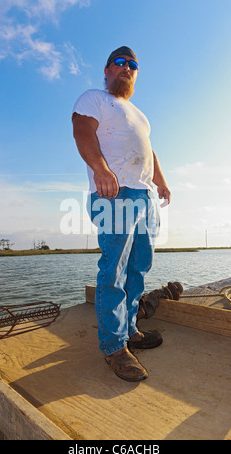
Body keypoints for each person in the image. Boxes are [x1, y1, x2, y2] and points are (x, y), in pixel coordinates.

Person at [72, 46, 171, 382]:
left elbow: (149, 152)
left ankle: (129, 333)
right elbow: (82, 131)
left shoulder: (139, 115)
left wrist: (162, 183)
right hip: (114, 192)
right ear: (107, 69)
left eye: (133, 65)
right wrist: (100, 169)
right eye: (121, 62)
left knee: (138, 267)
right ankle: (114, 347)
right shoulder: (95, 99)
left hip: (144, 197)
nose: (127, 68)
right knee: (114, 268)